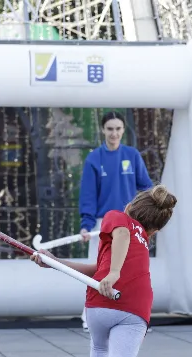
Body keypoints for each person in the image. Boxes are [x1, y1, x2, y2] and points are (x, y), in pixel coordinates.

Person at [31, 185, 177, 357]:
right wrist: (56, 262)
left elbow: (120, 237)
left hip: (100, 304)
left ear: (130, 207)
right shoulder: (142, 238)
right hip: (134, 305)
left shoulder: (117, 217)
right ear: (155, 230)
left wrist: (113, 274)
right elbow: (101, 268)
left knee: (99, 350)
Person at [77, 111, 154, 328]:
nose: (114, 133)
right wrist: (86, 225)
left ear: (123, 130)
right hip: (103, 225)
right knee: (98, 270)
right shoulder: (94, 159)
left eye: (118, 129)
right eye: (110, 129)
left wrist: (147, 216)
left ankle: (134, 315)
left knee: (131, 269)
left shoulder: (132, 155)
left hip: (129, 225)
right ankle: (89, 317)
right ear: (103, 130)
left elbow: (147, 188)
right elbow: (88, 195)